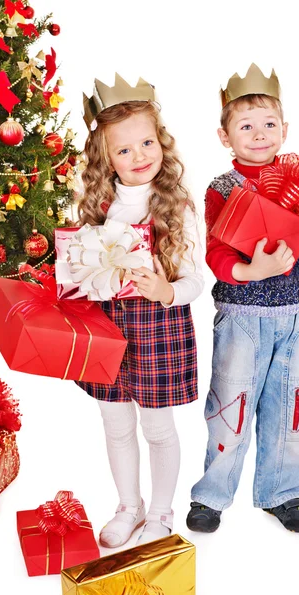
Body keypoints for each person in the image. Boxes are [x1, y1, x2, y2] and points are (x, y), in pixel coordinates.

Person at [186, 64, 299, 534]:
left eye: (268, 125)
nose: (259, 135)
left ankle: (283, 493)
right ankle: (211, 495)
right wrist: (251, 271)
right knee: (231, 403)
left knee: (293, 403)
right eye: (245, 126)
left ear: (285, 130)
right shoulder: (222, 189)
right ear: (225, 136)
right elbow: (217, 254)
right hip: (243, 314)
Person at [77, 75, 204, 547]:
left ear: (161, 141)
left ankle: (160, 511)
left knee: (156, 426)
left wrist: (165, 290)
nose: (140, 156)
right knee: (115, 423)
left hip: (157, 327)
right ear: (105, 158)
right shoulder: (98, 206)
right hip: (107, 327)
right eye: (124, 150)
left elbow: (196, 279)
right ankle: (127, 505)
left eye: (147, 142)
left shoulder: (177, 204)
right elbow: (82, 270)